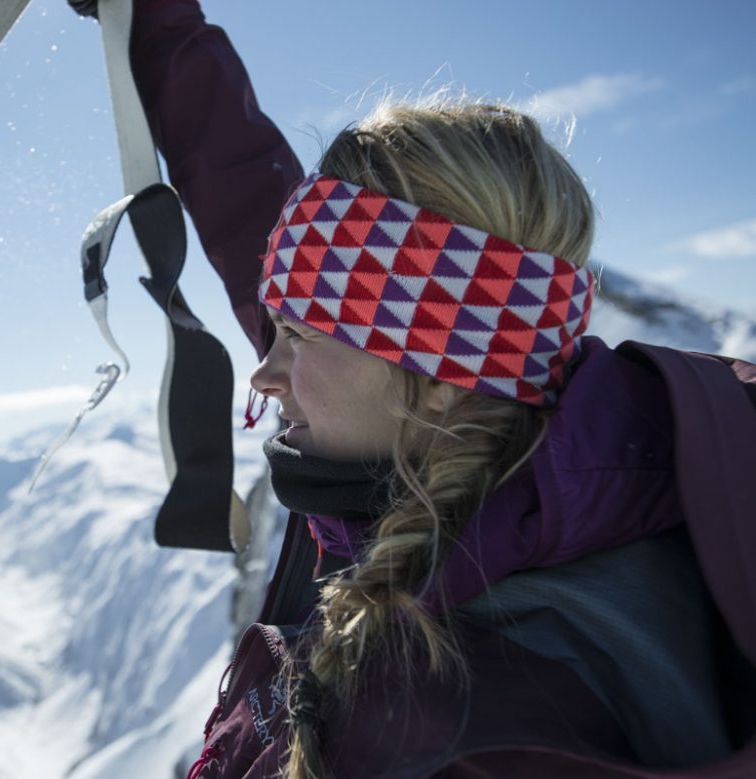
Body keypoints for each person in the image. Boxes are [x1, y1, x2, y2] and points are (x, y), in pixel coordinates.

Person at [70, 1, 756, 777]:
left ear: (436, 377)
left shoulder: (470, 730)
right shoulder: (430, 423)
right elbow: (243, 196)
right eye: (280, 325)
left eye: (297, 334)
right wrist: (156, 18)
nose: (265, 369)